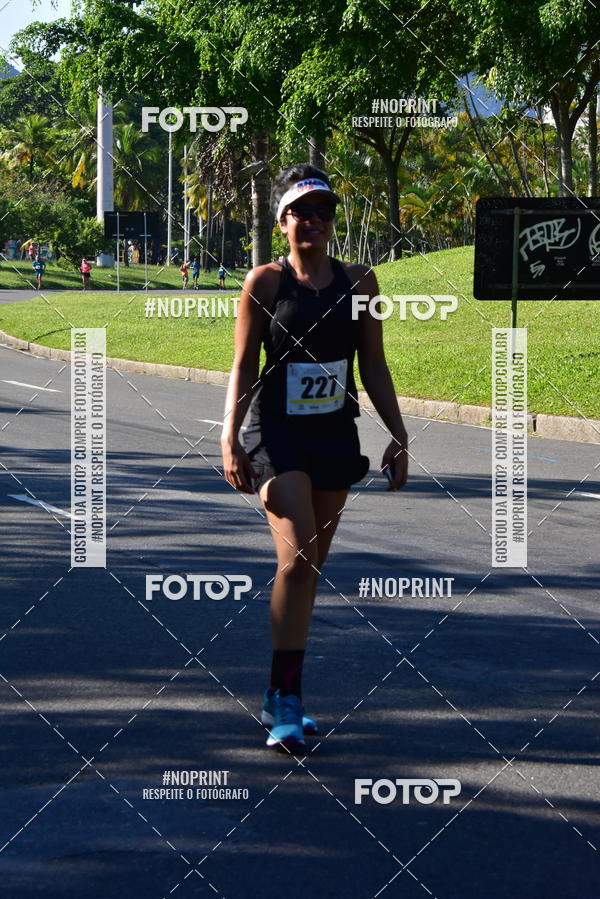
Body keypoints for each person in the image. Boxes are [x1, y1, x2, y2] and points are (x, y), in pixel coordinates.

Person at [220, 164, 409, 753]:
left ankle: (288, 693)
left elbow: (373, 366)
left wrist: (399, 435)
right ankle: (285, 697)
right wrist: (229, 437)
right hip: (274, 434)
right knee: (299, 553)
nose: (313, 221)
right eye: (302, 211)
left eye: (323, 212)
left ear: (332, 222)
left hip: (333, 434)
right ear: (283, 221)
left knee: (309, 569)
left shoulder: (362, 285)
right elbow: (243, 367)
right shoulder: (266, 284)